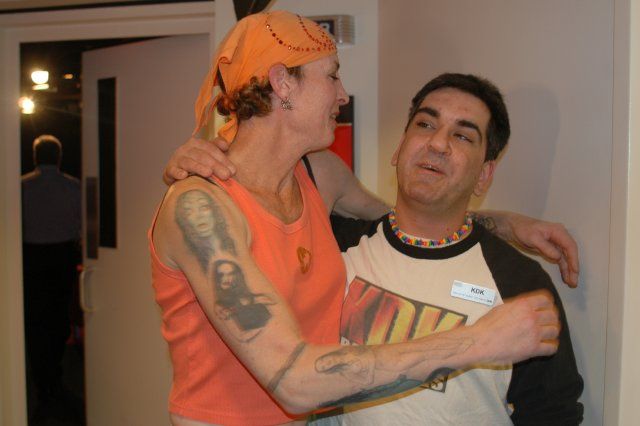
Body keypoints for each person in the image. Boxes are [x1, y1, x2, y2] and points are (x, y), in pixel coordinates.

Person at [151, 11, 560, 426]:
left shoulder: (318, 173)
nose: (342, 95)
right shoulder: (198, 208)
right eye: (332, 76)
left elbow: (404, 222)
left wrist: (503, 224)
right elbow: (294, 383)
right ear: (283, 83)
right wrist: (478, 341)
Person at [307, 73, 583, 425]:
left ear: (484, 175)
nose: (437, 143)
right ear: (399, 148)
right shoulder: (335, 245)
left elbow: (553, 415)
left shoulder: (519, 283)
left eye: (462, 135)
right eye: (425, 124)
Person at [21, 134, 81, 420]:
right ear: (58, 157)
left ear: (35, 156)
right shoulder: (73, 187)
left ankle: (42, 379)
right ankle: (53, 376)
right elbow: (81, 225)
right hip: (61, 257)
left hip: (31, 258)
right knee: (58, 318)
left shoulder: (21, 186)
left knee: (35, 319)